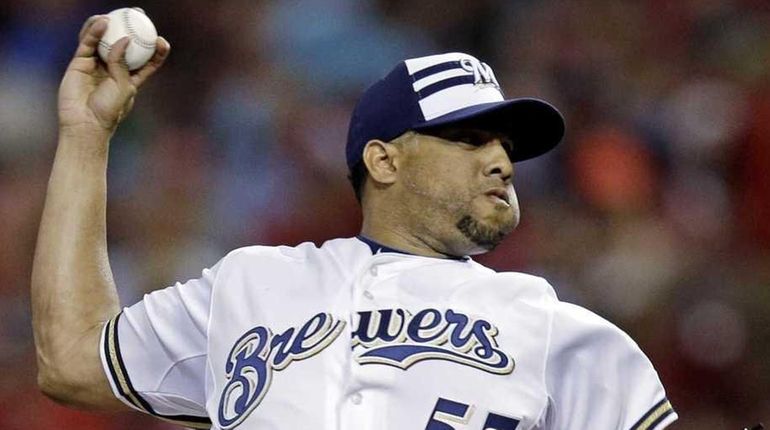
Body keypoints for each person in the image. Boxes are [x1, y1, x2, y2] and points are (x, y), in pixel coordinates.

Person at [31, 14, 677, 430]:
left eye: (507, 145)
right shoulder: (252, 284)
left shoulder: (558, 328)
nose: (502, 161)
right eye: (470, 138)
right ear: (384, 160)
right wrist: (86, 135)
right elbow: (72, 362)